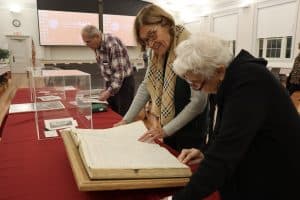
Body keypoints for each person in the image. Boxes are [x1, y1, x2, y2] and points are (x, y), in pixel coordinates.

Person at [162, 32, 300, 200]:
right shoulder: (235, 78)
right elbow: (224, 134)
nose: (197, 89)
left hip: (276, 180)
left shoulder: (250, 83)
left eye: (197, 84)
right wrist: (205, 152)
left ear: (219, 71)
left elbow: (225, 154)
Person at [114, 4, 209, 152]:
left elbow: (199, 102)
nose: (151, 44)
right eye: (146, 40)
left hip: (191, 130)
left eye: (152, 35)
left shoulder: (191, 47)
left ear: (165, 23)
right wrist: (125, 120)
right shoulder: (155, 52)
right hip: (168, 125)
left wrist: (166, 130)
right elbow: (146, 85)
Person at [81, 25, 135, 116]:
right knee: (112, 113)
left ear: (97, 37)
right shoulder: (97, 46)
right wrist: (107, 89)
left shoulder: (112, 45)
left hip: (124, 84)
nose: (87, 45)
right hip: (113, 83)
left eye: (88, 42)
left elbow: (119, 74)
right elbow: (107, 70)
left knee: (122, 115)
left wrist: (109, 92)